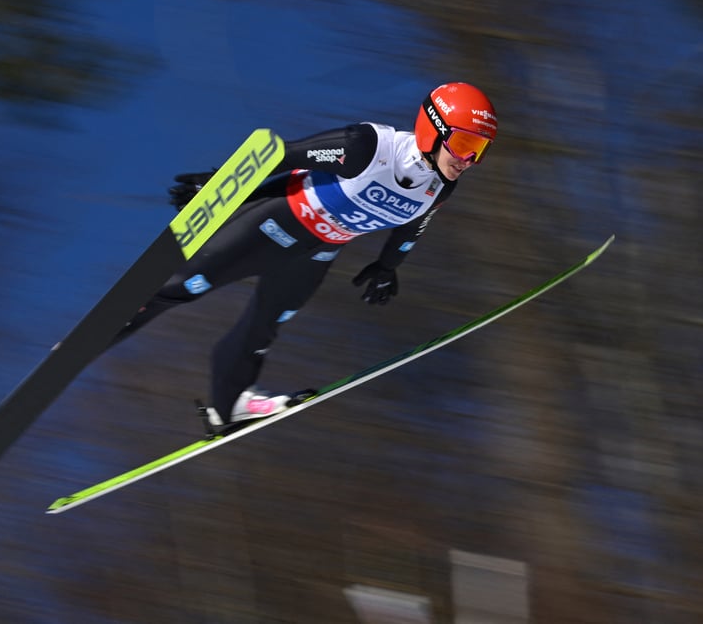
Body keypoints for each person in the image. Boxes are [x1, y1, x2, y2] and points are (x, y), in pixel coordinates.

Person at [112, 82, 498, 427]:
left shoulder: (440, 187)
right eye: (464, 145)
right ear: (434, 127)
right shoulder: (369, 148)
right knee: (184, 286)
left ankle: (230, 405)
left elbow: (412, 227)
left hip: (318, 250)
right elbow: (280, 154)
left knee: (265, 325)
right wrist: (216, 185)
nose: (468, 160)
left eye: (479, 150)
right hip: (277, 220)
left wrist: (387, 266)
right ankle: (108, 324)